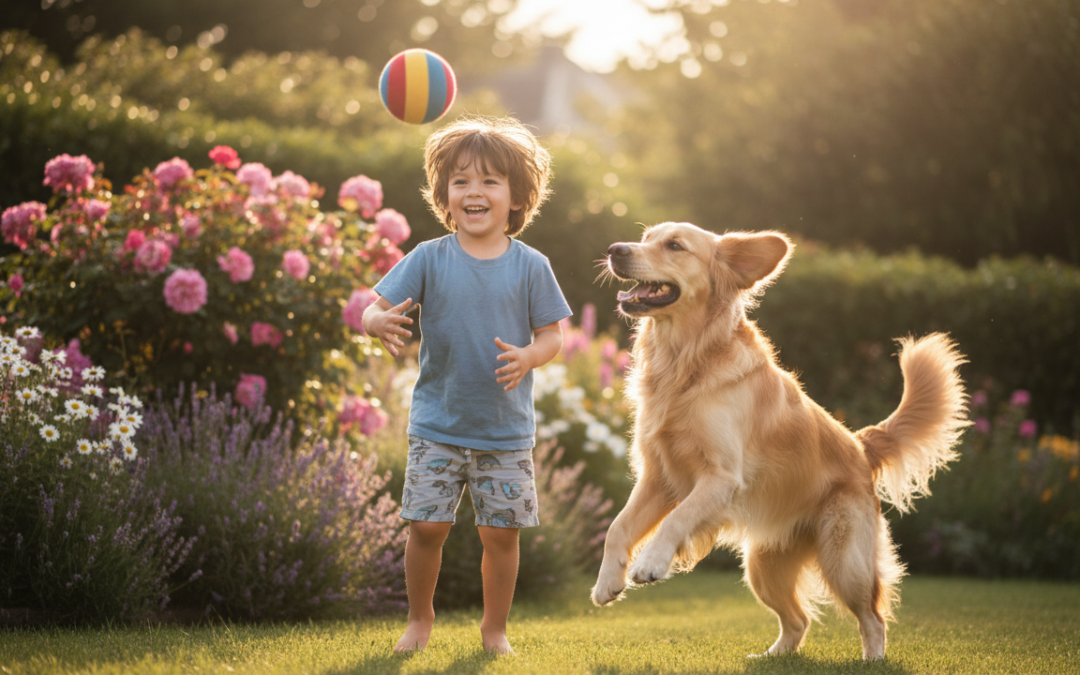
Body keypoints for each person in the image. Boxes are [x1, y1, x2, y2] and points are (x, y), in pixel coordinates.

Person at [363, 114, 571, 655]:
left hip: (504, 432)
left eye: (489, 181)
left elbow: (553, 335)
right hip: (438, 425)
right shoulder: (430, 257)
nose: (474, 191)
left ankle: (494, 629)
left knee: (500, 535)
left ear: (516, 197)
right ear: (445, 196)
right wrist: (375, 322)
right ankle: (419, 621)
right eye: (461, 181)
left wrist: (529, 355)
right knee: (426, 529)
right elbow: (373, 307)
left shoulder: (531, 266)